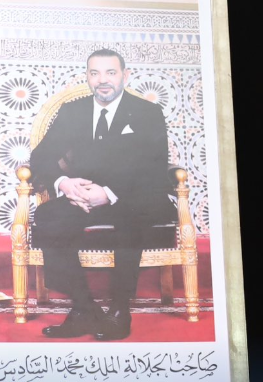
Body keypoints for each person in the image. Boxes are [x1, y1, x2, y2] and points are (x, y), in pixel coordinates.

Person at [29, 49, 174, 341]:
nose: (102, 80)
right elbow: (40, 157)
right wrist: (65, 184)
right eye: (95, 73)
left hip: (134, 196)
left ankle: (120, 310)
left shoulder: (147, 112)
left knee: (130, 217)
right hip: (83, 196)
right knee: (48, 216)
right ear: (87, 77)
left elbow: (154, 167)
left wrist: (108, 193)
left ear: (125, 75)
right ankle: (84, 308)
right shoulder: (73, 111)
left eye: (110, 72)